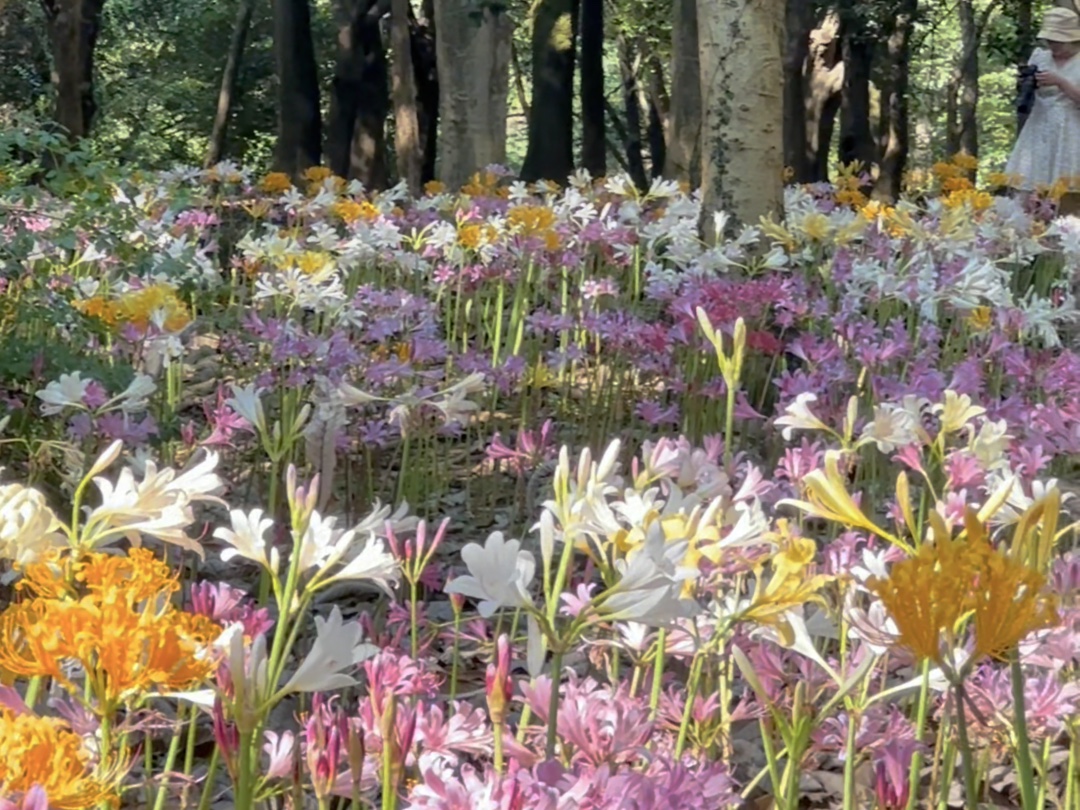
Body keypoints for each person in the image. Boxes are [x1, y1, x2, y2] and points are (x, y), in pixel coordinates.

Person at [1005, 7, 1080, 215]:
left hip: (1071, 131)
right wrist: (1024, 83)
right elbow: (1026, 92)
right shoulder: (1040, 57)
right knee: (1028, 189)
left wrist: (1060, 82)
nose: (1052, 46)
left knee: (1067, 192)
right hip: (1039, 128)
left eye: (1058, 41)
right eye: (1050, 40)